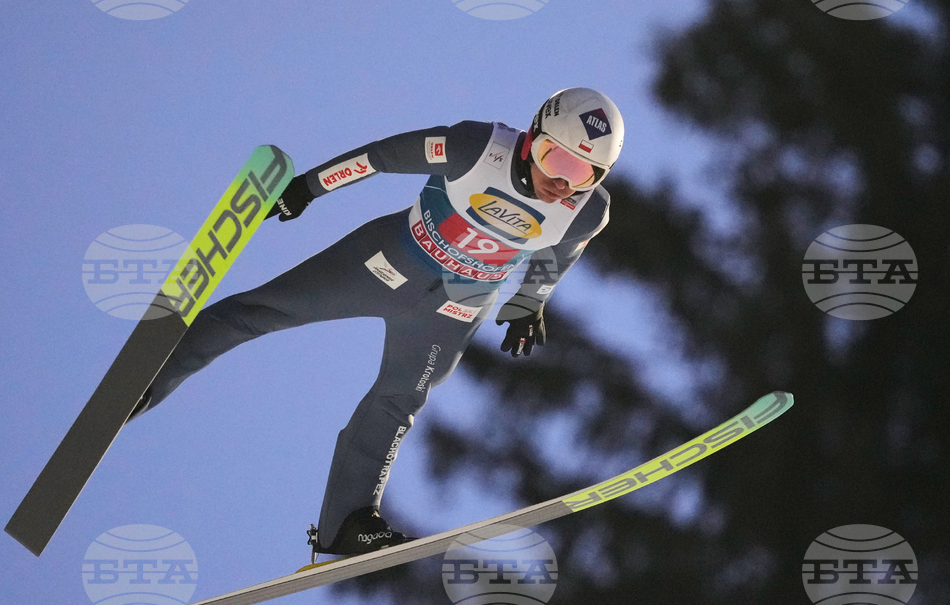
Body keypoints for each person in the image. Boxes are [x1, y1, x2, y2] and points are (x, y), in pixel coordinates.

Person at [129, 87, 624, 558]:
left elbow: (557, 258)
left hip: (453, 310)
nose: (563, 182)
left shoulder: (587, 211)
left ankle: (346, 524)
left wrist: (530, 304)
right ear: (531, 138)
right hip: (384, 263)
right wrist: (306, 188)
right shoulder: (476, 146)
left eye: (585, 174)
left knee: (398, 401)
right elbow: (380, 157)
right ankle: (147, 382)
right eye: (557, 159)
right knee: (263, 311)